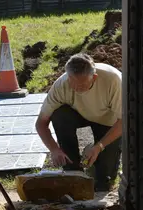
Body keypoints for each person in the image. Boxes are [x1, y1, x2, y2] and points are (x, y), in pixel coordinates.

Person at [35, 53, 122, 192]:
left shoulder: (113, 80)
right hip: (82, 120)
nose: (76, 88)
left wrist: (99, 146)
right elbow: (40, 123)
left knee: (103, 182)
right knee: (60, 114)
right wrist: (54, 149)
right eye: (72, 82)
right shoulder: (62, 85)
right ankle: (73, 169)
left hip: (109, 124)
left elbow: (124, 122)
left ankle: (98, 167)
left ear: (94, 77)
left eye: (82, 85)